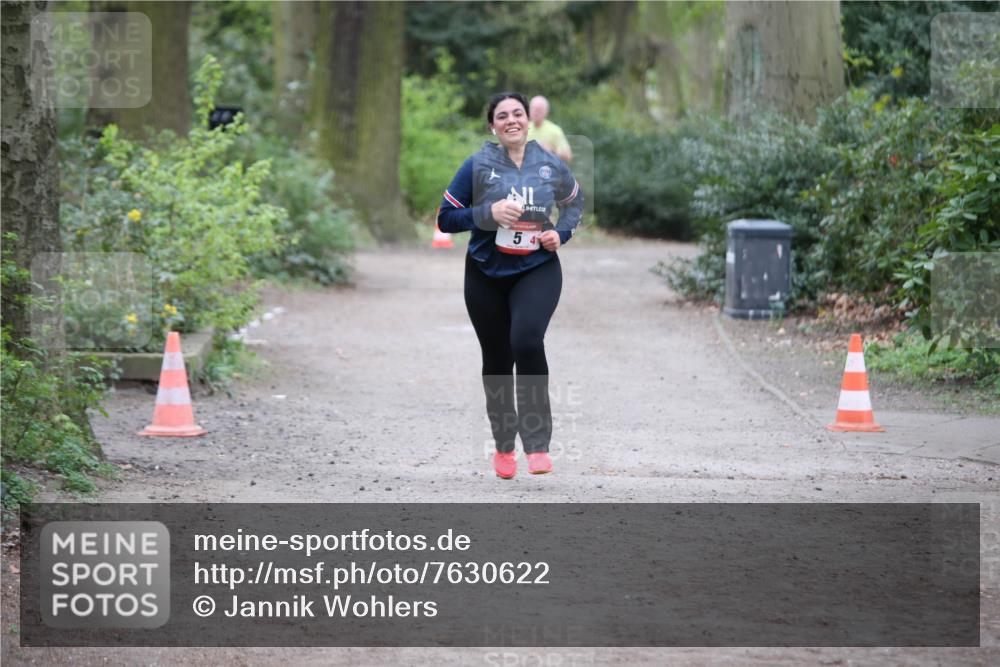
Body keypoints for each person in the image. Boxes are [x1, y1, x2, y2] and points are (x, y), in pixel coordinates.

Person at [437, 92, 584, 479]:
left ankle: (536, 445)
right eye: (502, 116)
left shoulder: (549, 164)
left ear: (528, 121)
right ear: (493, 126)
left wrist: (561, 234)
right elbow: (446, 219)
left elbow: (574, 204)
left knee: (527, 340)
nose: (511, 120)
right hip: (485, 274)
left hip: (537, 268)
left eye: (517, 113)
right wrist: (488, 213)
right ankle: (504, 445)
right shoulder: (477, 165)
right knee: (498, 360)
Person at [527, 96, 573, 163]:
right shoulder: (523, 128)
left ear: (546, 112)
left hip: (548, 169)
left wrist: (551, 150)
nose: (535, 112)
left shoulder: (555, 130)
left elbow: (568, 156)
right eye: (533, 109)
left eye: (539, 110)